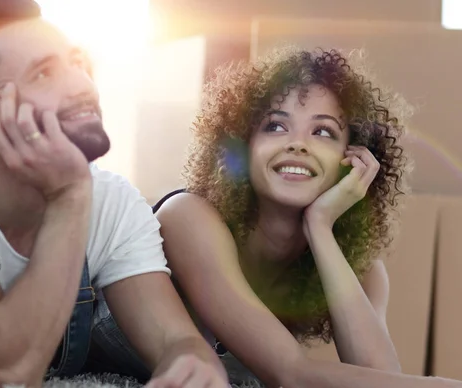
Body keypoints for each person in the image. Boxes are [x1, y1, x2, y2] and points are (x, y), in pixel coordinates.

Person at [0, 0, 229, 387]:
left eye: (76, 63)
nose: (82, 86)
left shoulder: (112, 199)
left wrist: (192, 363)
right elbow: (11, 372)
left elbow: (175, 339)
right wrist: (68, 196)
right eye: (42, 74)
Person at [92, 46, 462, 388]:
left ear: (350, 160)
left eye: (323, 131)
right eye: (276, 126)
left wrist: (320, 228)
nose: (297, 143)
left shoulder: (359, 269)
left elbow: (379, 379)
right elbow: (290, 373)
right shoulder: (188, 217)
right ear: (243, 146)